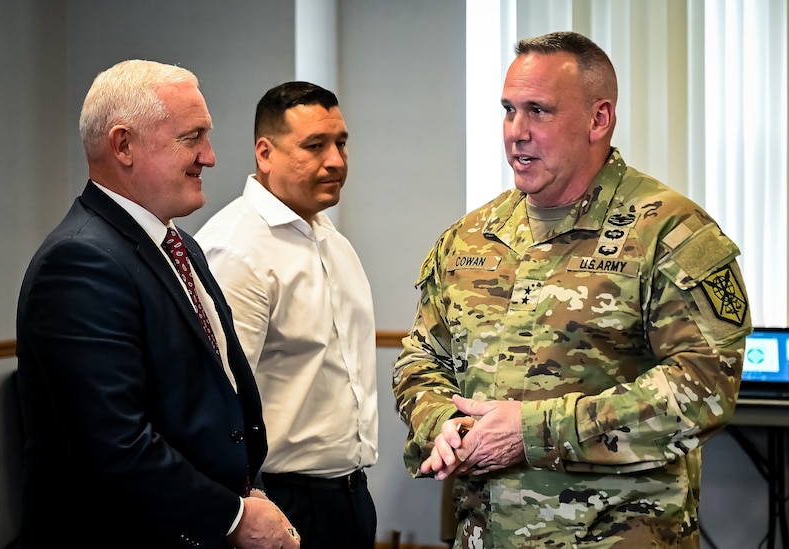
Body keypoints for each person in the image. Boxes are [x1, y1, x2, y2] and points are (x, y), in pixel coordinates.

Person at [392, 31, 752, 549]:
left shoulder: (670, 232)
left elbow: (704, 388)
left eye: (538, 111)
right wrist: (441, 422)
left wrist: (534, 431)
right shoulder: (470, 236)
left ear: (598, 119)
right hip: (484, 536)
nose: (516, 132)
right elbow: (420, 360)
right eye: (508, 110)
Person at [15, 59, 298, 549]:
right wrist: (234, 519)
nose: (210, 157)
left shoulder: (178, 245)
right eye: (192, 137)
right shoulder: (80, 261)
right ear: (123, 145)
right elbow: (114, 445)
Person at [195, 81, 378, 549]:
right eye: (314, 146)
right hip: (280, 501)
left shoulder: (327, 237)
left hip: (348, 495)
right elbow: (218, 404)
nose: (335, 160)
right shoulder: (238, 249)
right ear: (265, 153)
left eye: (341, 143)